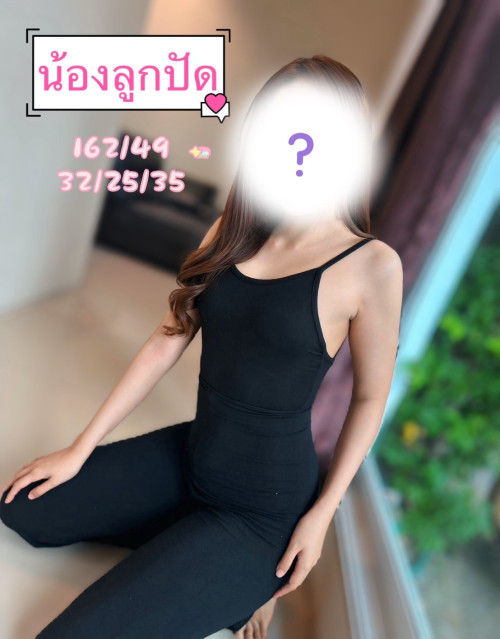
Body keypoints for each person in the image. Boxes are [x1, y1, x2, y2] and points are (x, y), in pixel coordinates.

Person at [0, 55, 403, 639]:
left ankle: (239, 571)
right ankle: (213, 565)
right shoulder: (232, 231)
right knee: (24, 508)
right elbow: (167, 338)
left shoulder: (372, 265)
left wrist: (320, 517)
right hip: (192, 457)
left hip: (261, 509)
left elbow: (369, 398)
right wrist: (79, 450)